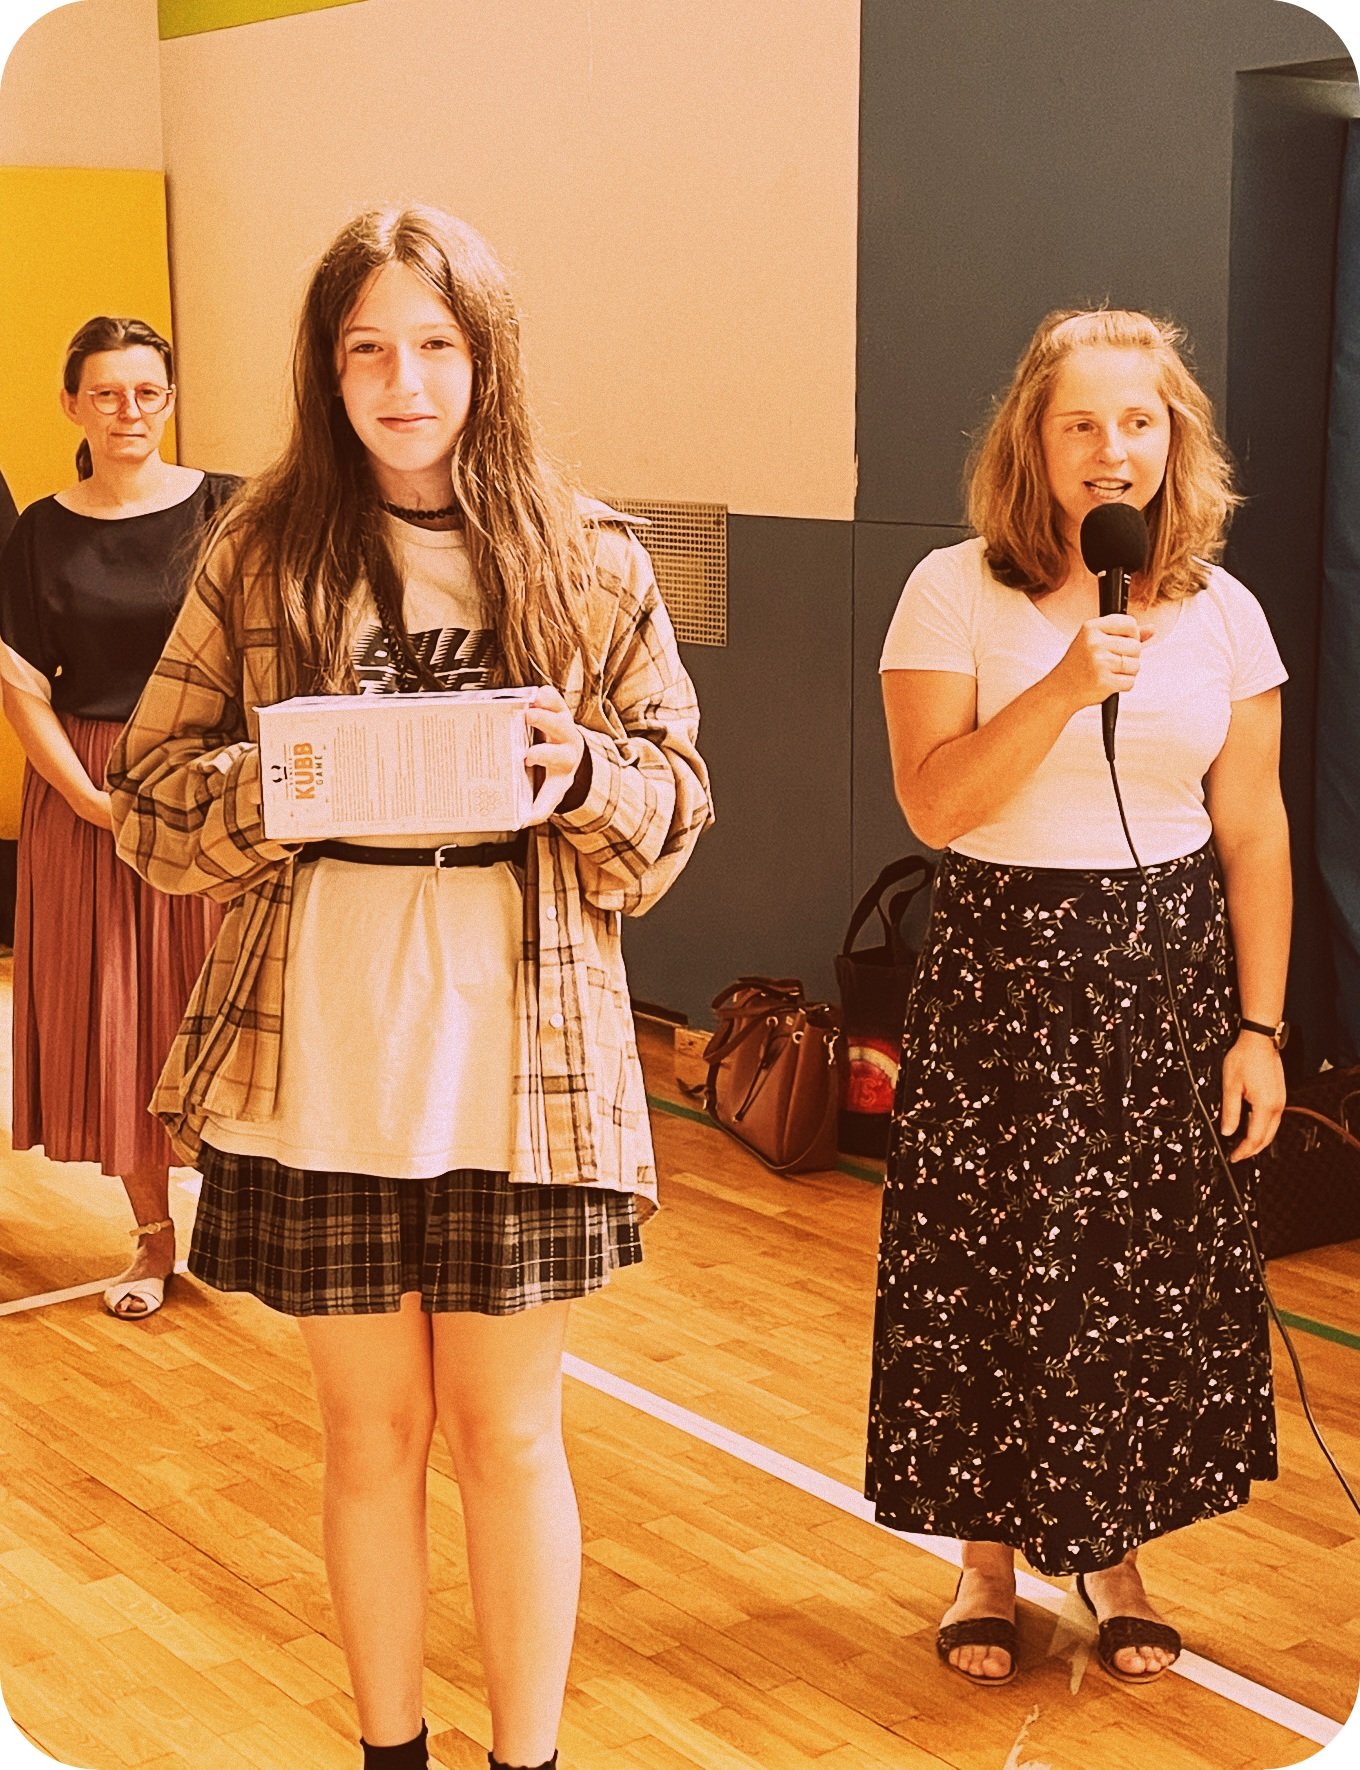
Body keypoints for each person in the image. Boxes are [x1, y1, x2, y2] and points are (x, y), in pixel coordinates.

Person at [107, 205, 711, 1770]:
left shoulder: (586, 555)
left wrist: (585, 770)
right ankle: (392, 1754)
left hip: (525, 1057)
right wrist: (278, 780)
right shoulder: (259, 553)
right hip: (326, 1049)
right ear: (328, 368)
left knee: (510, 1433)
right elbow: (148, 802)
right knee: (369, 1434)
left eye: (436, 344)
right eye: (367, 347)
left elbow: (674, 807)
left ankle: (529, 1759)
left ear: (486, 358)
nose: (404, 381)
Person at [867, 308, 1289, 1688]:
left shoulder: (1225, 612)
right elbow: (935, 804)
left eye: (1140, 422)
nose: (1113, 448)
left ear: (1175, 441)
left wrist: (1261, 1029)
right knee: (990, 1275)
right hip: (1004, 978)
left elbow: (1254, 829)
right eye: (1082, 424)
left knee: (1136, 1284)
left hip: (1164, 982)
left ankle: (1115, 1556)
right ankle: (985, 1562)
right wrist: (1061, 686)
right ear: (1033, 446)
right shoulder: (951, 591)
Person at [0, 317, 237, 1319]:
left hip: (214, 788)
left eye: (146, 391)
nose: (128, 410)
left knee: (225, 1009)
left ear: (169, 399)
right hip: (88, 786)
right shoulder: (40, 532)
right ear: (72, 405)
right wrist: (87, 799)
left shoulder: (229, 509)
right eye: (106, 393)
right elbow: (21, 683)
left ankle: (252, 1222)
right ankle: (152, 1239)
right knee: (121, 1017)